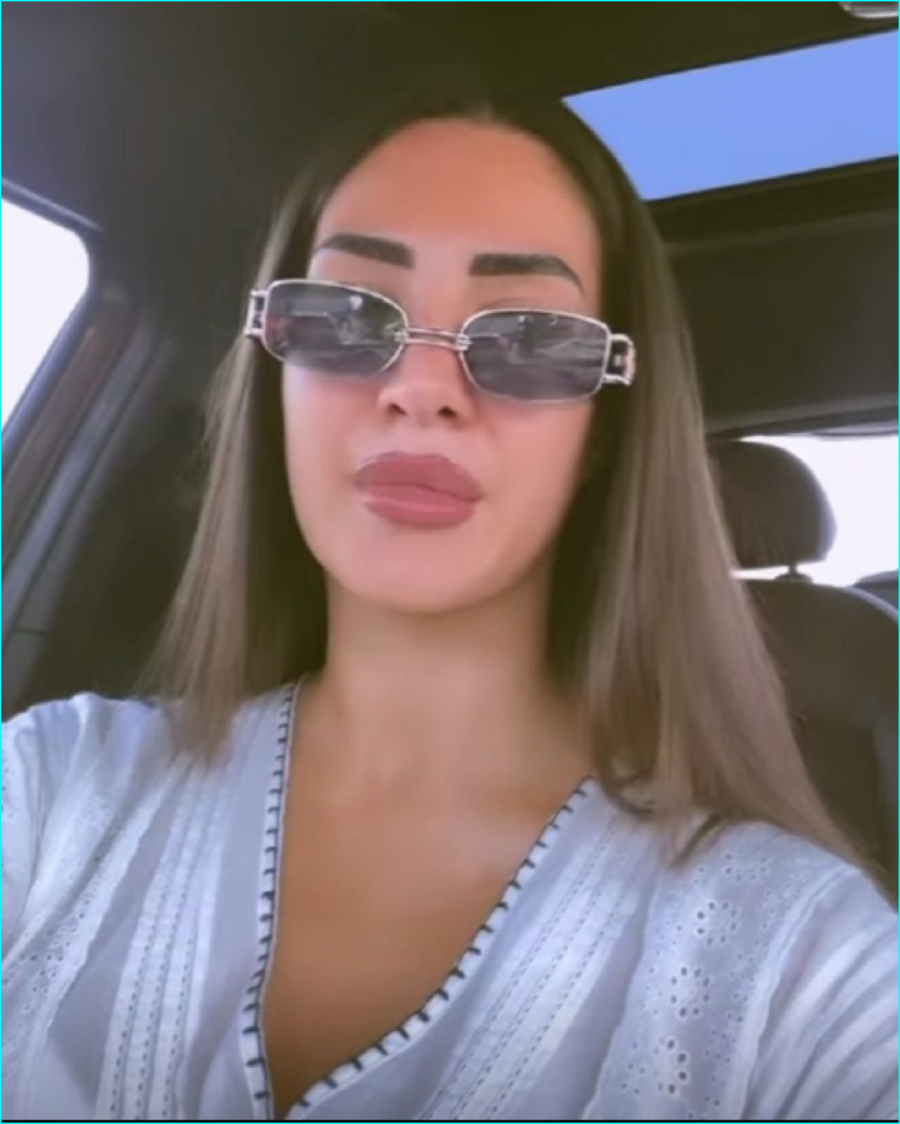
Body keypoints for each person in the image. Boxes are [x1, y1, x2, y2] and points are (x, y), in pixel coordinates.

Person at [2, 81, 896, 1122]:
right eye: (343, 315)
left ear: (603, 432)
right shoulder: (51, 792)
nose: (420, 388)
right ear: (273, 378)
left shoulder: (803, 970)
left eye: (528, 338)